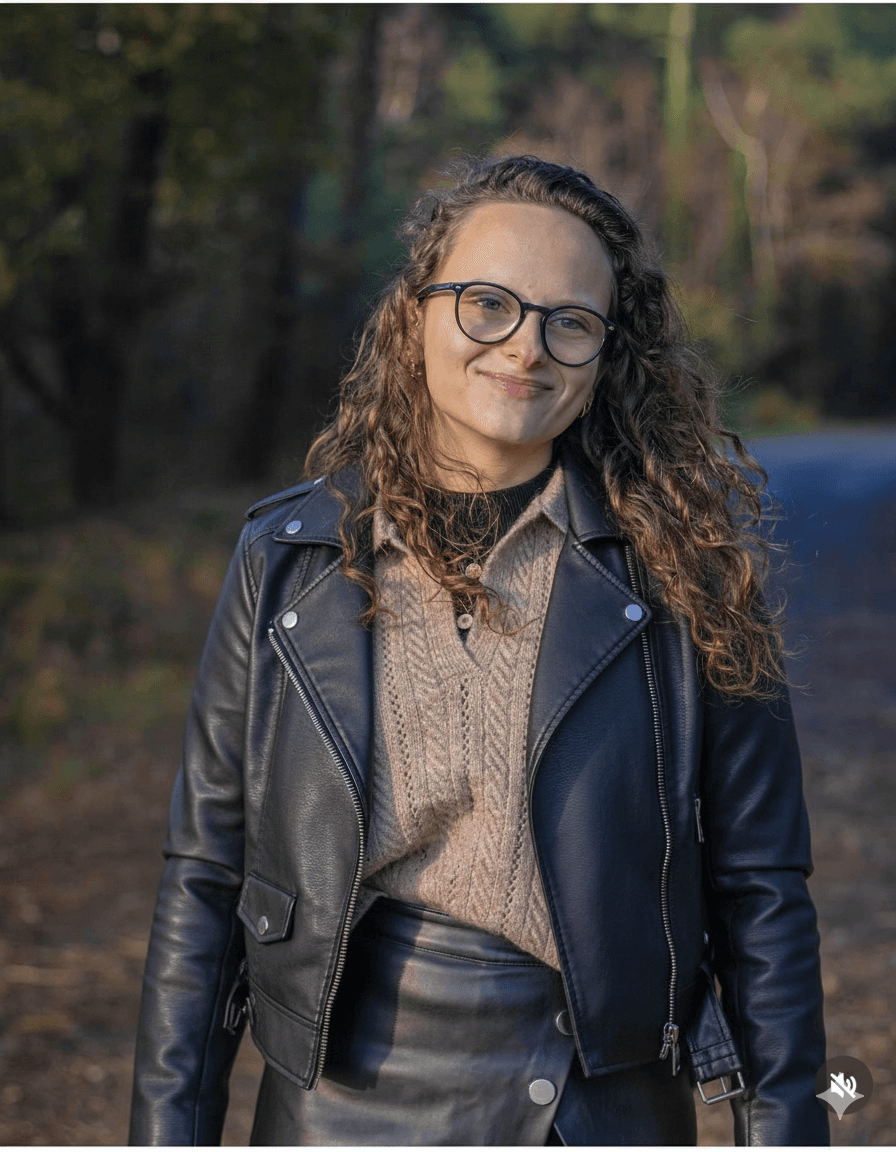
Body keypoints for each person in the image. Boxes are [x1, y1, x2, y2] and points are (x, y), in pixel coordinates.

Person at [129, 154, 829, 1146]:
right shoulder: (284, 561)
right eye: (487, 303)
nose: (524, 348)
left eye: (567, 322)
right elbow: (203, 875)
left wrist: (790, 1128)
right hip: (331, 1100)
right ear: (414, 311)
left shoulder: (692, 575)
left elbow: (762, 895)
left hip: (595, 1102)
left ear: (605, 355)